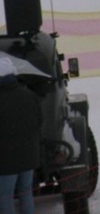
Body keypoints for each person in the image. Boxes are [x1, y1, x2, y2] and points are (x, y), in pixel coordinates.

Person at [0, 57, 42, 214]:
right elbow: (39, 121)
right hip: (28, 154)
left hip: (5, 160)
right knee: (26, 192)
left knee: (5, 195)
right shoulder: (29, 95)